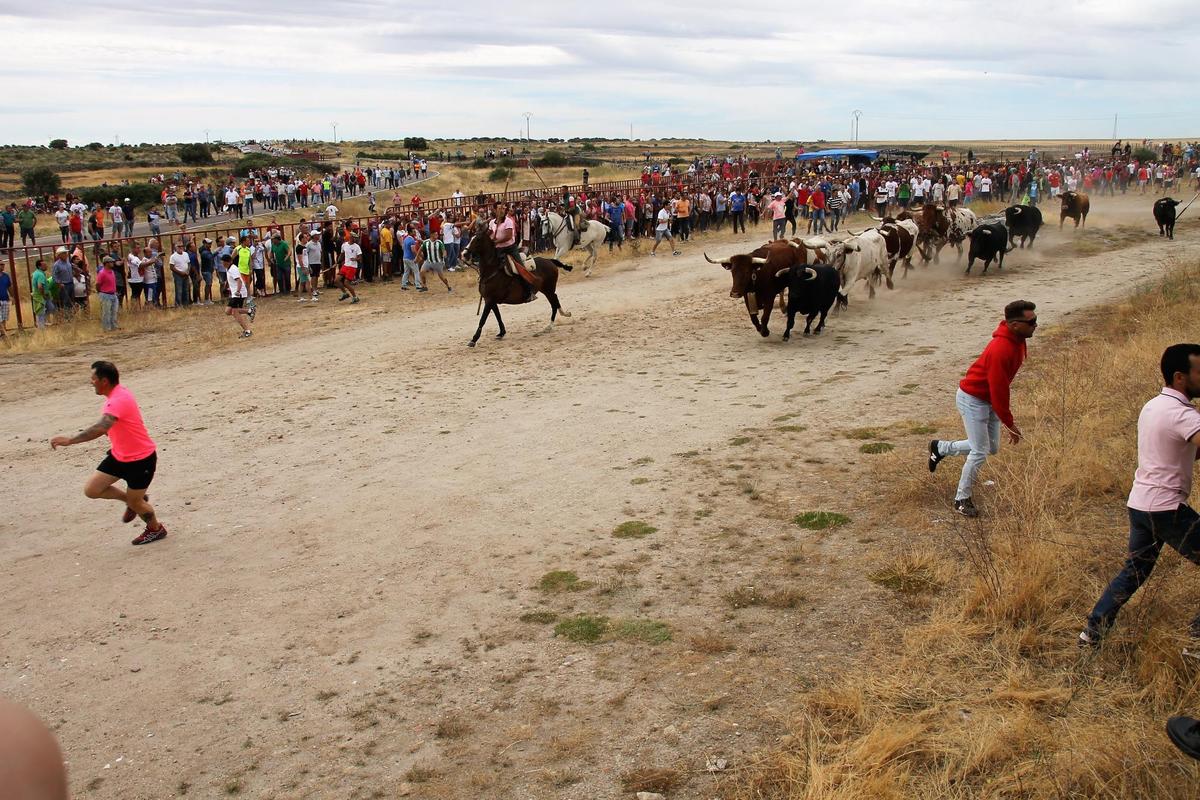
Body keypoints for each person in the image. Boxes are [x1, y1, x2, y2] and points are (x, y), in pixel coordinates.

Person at [1080, 344, 1200, 648]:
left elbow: (1180, 449)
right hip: (1166, 509)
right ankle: (1197, 639)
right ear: (1180, 377)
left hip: (1141, 504)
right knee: (1134, 570)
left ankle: (1092, 632)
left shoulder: (1154, 406)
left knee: (1134, 571)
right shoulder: (1183, 415)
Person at [928, 300, 1038, 517]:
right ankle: (961, 499)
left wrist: (1004, 416)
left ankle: (941, 448)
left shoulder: (1016, 339)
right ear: (1015, 325)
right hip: (973, 399)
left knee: (991, 447)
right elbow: (998, 390)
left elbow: (999, 390)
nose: (1036, 325)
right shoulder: (1001, 349)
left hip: (986, 399)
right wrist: (1010, 423)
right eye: (1032, 321)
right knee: (980, 451)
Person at [50, 360, 167, 546]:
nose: (91, 382)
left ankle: (155, 529)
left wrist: (70, 441)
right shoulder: (118, 393)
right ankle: (131, 501)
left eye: (93, 378)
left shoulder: (117, 401)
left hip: (140, 460)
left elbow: (100, 427)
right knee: (92, 490)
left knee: (138, 504)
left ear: (104, 381)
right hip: (119, 456)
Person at [224, 253, 254, 337]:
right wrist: (226, 286)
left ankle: (247, 331)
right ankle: (249, 311)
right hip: (235, 293)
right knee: (227, 311)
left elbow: (239, 281)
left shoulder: (233, 269)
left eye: (224, 262)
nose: (223, 264)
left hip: (238, 293)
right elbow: (230, 279)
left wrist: (237, 291)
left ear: (229, 262)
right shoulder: (228, 269)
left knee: (234, 312)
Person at [96, 255, 119, 331]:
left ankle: (114, 326)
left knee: (114, 311)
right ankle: (106, 328)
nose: (113, 263)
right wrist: (101, 292)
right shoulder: (102, 273)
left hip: (113, 294)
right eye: (111, 262)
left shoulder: (112, 272)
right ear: (106, 263)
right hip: (105, 294)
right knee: (106, 312)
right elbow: (98, 284)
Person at [338, 233, 362, 303]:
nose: (356, 239)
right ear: (350, 237)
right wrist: (338, 261)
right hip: (346, 265)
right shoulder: (344, 245)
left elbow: (360, 257)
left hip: (352, 266)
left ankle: (355, 297)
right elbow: (342, 254)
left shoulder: (357, 246)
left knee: (346, 283)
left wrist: (355, 259)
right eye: (354, 237)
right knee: (336, 280)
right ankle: (345, 293)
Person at [168, 241, 191, 307]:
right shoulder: (173, 256)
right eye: (179, 246)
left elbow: (189, 263)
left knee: (186, 289)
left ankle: (186, 304)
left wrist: (188, 271)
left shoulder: (186, 254)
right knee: (179, 290)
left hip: (186, 274)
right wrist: (180, 272)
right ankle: (178, 304)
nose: (181, 247)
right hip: (178, 275)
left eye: (182, 246)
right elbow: (171, 267)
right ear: (176, 247)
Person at [0, 260, 10, 340]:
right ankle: (4, 334)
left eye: (3, 264)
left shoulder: (6, 276)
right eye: (1, 264)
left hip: (5, 299)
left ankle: (3, 335)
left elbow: (9, 287)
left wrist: (12, 297)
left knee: (4, 318)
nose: (3, 266)